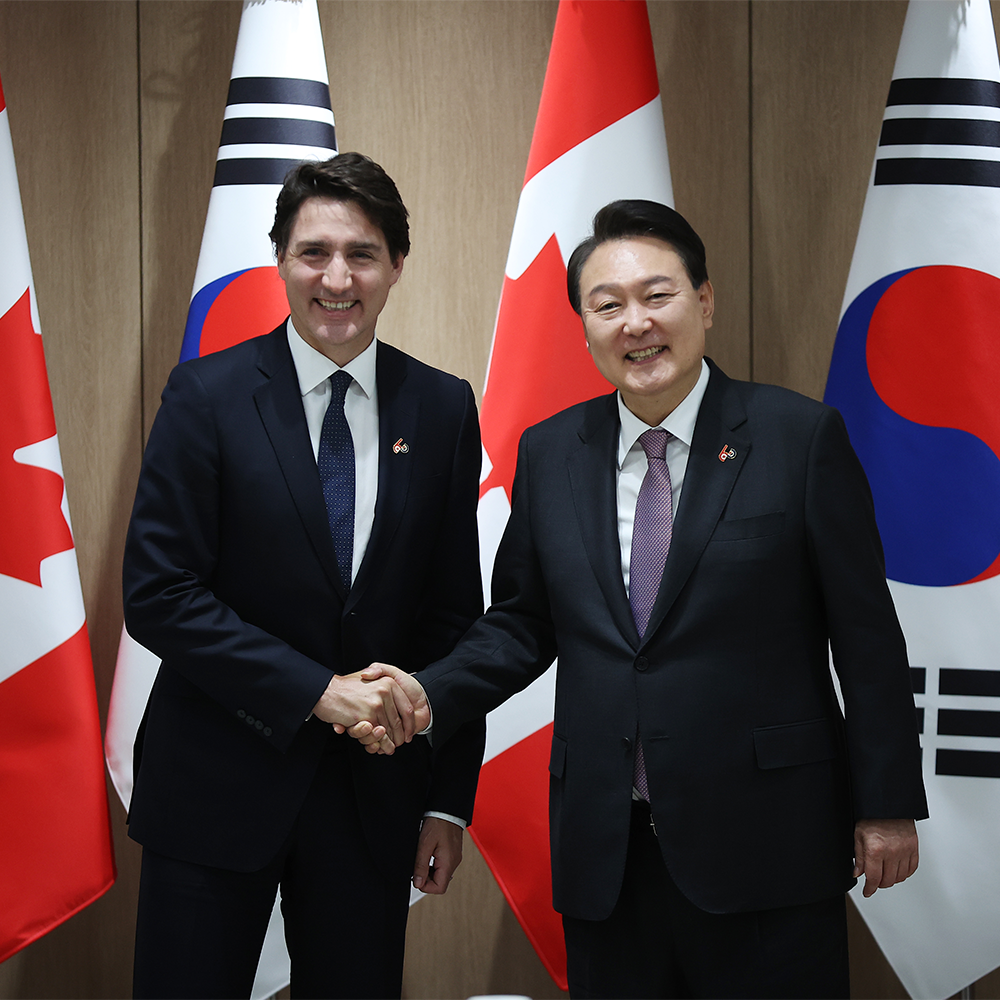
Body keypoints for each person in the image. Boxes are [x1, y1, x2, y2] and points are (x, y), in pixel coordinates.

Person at [357, 200, 928, 999]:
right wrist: (426, 691)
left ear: (705, 301)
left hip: (766, 842)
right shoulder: (553, 451)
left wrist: (887, 805)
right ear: (583, 325)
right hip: (608, 850)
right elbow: (522, 623)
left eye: (656, 295)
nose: (636, 323)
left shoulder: (799, 439)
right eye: (607, 304)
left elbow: (867, 639)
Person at [123, 153, 485, 1000]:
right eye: (313, 252)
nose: (336, 278)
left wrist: (447, 800)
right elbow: (159, 592)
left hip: (372, 803)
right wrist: (317, 691)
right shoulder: (205, 395)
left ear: (397, 265)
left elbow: (453, 621)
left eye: (361, 254)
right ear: (280, 259)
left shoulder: (441, 407)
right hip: (213, 787)